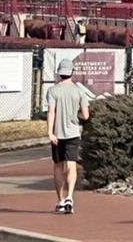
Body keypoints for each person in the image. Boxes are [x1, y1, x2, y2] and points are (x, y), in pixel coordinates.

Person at [44, 58, 93, 214]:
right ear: (72, 72)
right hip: (73, 133)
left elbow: (51, 112)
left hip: (57, 135)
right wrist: (75, 114)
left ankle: (60, 200)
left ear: (59, 73)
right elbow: (86, 116)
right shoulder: (79, 91)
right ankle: (70, 196)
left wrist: (50, 132)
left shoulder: (52, 91)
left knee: (58, 166)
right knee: (71, 165)